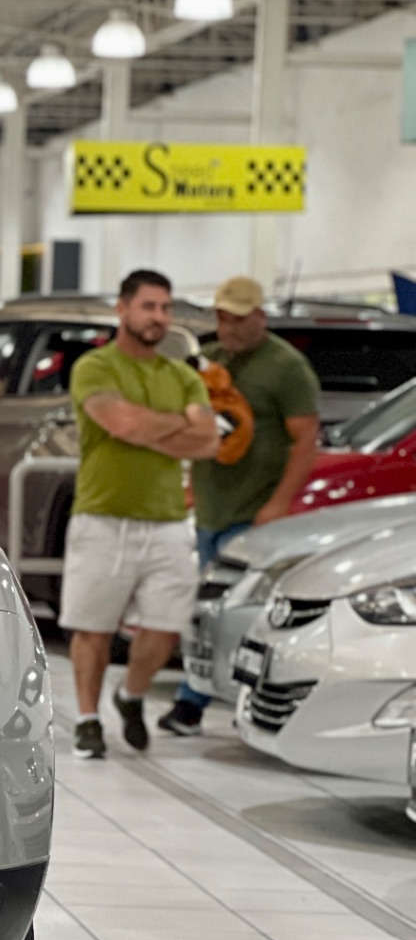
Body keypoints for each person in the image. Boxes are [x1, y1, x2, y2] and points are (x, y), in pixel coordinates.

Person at [62, 270, 220, 759]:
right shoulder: (95, 367)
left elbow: (209, 440)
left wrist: (147, 428)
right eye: (149, 306)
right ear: (123, 309)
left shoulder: (183, 376)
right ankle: (88, 720)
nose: (159, 317)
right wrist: (177, 425)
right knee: (93, 626)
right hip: (102, 516)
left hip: (169, 520)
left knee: (167, 626)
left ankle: (130, 695)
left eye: (165, 308)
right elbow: (121, 423)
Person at [159, 276, 321, 735]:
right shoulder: (210, 360)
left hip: (253, 514)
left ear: (260, 316)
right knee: (206, 613)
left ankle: (202, 702)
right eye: (222, 318)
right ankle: (197, 697)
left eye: (238, 319)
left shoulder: (286, 367)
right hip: (210, 512)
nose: (228, 328)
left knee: (245, 614)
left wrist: (279, 503)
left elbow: (306, 440)